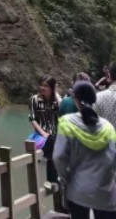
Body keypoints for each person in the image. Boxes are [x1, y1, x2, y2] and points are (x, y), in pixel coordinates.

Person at [54, 79, 116, 218]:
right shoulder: (108, 127)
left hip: (78, 190)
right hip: (106, 192)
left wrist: (67, 177)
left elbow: (58, 157)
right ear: (94, 99)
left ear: (75, 99)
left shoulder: (67, 124)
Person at [29, 75, 61, 182]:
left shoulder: (57, 101)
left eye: (46, 86)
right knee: (52, 142)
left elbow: (62, 119)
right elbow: (33, 119)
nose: (42, 88)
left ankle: (54, 179)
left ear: (52, 88)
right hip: (40, 135)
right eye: (41, 85)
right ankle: (53, 180)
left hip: (54, 135)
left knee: (56, 141)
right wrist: (43, 133)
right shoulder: (34, 100)